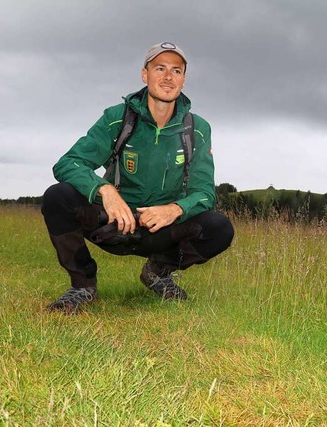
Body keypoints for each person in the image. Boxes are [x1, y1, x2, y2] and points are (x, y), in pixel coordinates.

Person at [41, 42, 234, 312]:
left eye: (176, 70)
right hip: (114, 226)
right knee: (57, 197)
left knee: (219, 227)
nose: (168, 77)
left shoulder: (197, 129)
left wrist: (175, 209)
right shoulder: (117, 118)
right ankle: (82, 285)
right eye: (160, 68)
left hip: (160, 230)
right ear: (145, 75)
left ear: (184, 79)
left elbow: (204, 193)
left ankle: (157, 271)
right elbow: (69, 163)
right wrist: (105, 191)